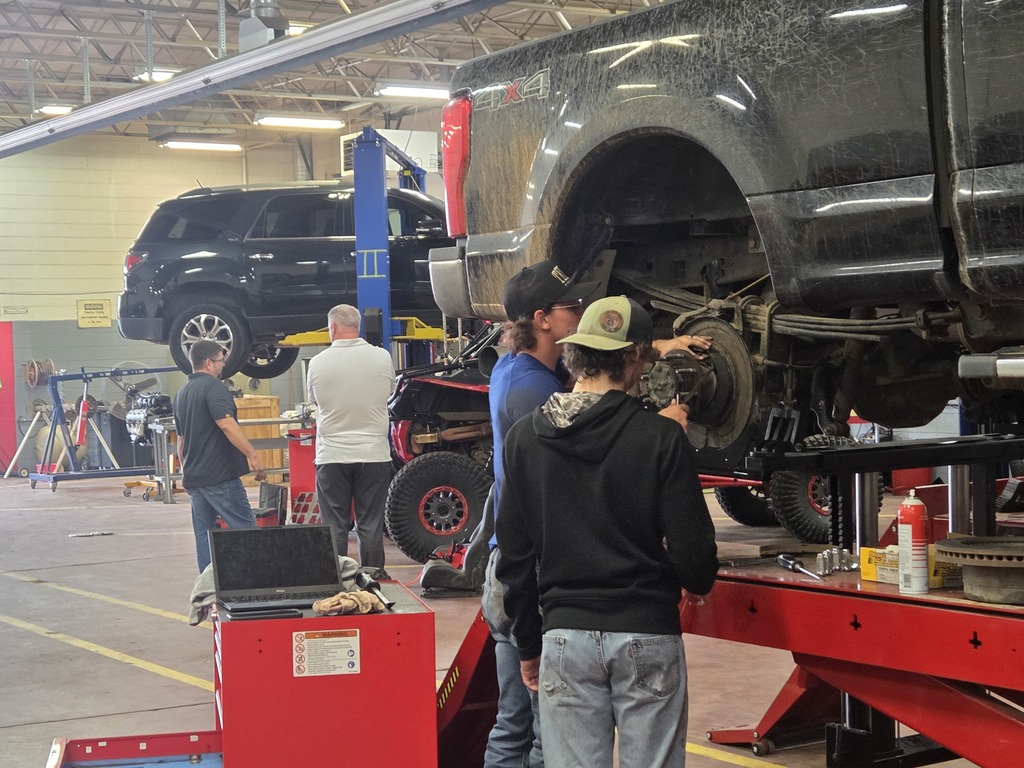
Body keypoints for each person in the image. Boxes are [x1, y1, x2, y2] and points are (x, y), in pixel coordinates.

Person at [483, 261, 712, 768]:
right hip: (647, 630)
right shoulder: (660, 438)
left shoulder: (525, 438)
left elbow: (514, 559)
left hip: (562, 637)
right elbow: (698, 565)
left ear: (573, 354)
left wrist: (527, 645)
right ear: (634, 360)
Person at [307, 304, 396, 576]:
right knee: (369, 523)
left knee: (334, 524)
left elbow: (314, 400)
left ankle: (335, 580)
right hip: (373, 454)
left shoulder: (318, 362)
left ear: (332, 327)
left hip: (332, 456)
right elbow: (389, 393)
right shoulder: (381, 358)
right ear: (358, 326)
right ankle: (371, 577)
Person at [174, 339, 264, 572]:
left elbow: (181, 439)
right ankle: (255, 580)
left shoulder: (182, 393)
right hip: (219, 476)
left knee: (205, 535)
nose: (223, 365)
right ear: (208, 363)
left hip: (195, 478)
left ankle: (209, 585)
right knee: (245, 529)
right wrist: (252, 454)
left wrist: (185, 468)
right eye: (221, 361)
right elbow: (226, 423)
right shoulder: (213, 387)